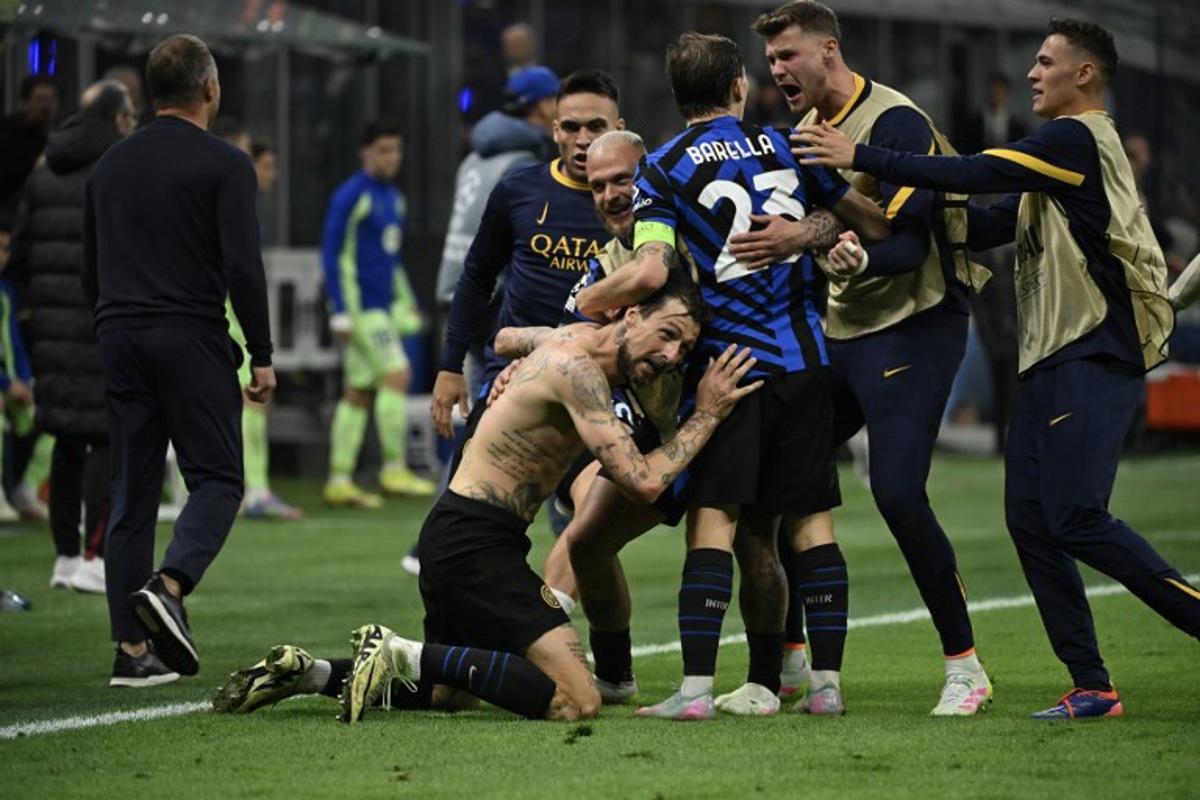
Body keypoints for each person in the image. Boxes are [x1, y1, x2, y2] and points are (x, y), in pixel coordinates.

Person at [797, 17, 1200, 719]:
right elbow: (982, 219)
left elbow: (975, 171)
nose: (1031, 74)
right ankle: (1092, 685)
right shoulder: (1058, 169)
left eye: (1045, 62)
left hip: (1095, 350)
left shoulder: (1076, 139)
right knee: (1030, 521)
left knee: (1074, 516)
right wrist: (886, 220)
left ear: (1085, 75)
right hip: (1050, 358)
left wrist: (861, 154)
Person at [213, 271, 758, 723]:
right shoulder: (581, 371)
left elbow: (504, 339)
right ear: (629, 315)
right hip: (475, 544)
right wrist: (708, 412)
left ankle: (312, 673)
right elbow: (641, 481)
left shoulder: (564, 343)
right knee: (577, 699)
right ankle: (399, 650)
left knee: (454, 693)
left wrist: (519, 363)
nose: (671, 355)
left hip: (458, 534)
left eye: (684, 348)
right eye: (666, 334)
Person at [574, 32, 888, 720]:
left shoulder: (663, 166)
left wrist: (586, 301)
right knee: (809, 525)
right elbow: (867, 219)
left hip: (731, 367)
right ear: (740, 86)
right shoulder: (789, 144)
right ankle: (826, 687)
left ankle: (693, 692)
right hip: (805, 360)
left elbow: (653, 269)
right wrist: (811, 232)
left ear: (676, 95)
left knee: (714, 523)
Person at [493, 128, 846, 705]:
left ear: (651, 176)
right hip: (656, 433)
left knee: (756, 541)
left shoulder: (690, 244)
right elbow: (573, 338)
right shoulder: (603, 267)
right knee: (586, 541)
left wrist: (827, 248)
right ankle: (615, 674)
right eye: (598, 186)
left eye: (623, 180)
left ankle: (768, 674)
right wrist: (528, 353)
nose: (610, 195)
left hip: (717, 414)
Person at [746, 0, 994, 715]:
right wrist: (822, 245)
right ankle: (792, 661)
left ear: (829, 49)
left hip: (915, 322)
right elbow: (829, 232)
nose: (779, 70)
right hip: (843, 329)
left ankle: (965, 667)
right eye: (770, 61)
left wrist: (838, 252)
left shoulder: (894, 122)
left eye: (788, 55)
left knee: (895, 490)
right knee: (782, 477)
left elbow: (912, 241)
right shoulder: (802, 133)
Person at [84, 34, 276, 687]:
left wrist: (106, 328)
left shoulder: (109, 166)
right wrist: (262, 353)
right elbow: (244, 270)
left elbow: (91, 265)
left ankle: (132, 655)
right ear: (209, 89)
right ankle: (168, 587)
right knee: (219, 479)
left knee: (131, 495)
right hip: (189, 334)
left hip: (117, 335)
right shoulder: (225, 165)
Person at [408, 70, 625, 574]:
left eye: (596, 125)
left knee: (590, 534)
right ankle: (464, 640)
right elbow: (476, 278)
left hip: (602, 390)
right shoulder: (520, 190)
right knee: (470, 528)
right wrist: (449, 365)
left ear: (619, 126)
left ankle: (588, 644)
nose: (583, 138)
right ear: (553, 130)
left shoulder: (643, 198)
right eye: (570, 126)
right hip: (515, 386)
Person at [6, 80, 137, 593]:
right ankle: (93, 556)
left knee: (64, 435)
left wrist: (35, 316)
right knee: (107, 437)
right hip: (104, 322)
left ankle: (64, 556)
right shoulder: (120, 169)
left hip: (49, 331)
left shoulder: (43, 170)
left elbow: (18, 255)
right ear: (121, 119)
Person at [320, 120, 434, 508]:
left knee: (358, 393)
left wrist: (407, 298)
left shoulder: (394, 199)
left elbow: (392, 258)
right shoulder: (351, 195)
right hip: (361, 309)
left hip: (382, 306)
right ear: (365, 152)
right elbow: (332, 254)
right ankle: (393, 468)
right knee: (397, 375)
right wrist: (339, 309)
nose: (392, 158)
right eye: (384, 150)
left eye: (396, 150)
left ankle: (338, 479)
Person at [435, 65, 558, 400]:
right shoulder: (523, 163)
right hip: (492, 298)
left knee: (478, 403)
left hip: (460, 289)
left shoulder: (474, 157)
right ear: (544, 106)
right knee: (496, 410)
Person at [213, 120, 301, 521]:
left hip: (217, 313)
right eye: (255, 160)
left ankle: (243, 489)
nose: (265, 173)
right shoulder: (227, 195)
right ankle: (254, 491)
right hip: (224, 315)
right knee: (253, 400)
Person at [0, 75, 59, 217]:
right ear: (24, 102)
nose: (46, 107)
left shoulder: (59, 135)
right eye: (40, 100)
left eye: (52, 100)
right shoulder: (6, 135)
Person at [957, 72, 1030, 155]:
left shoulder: (1018, 127)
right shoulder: (970, 124)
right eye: (992, 89)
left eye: (999, 90)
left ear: (1006, 93)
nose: (995, 93)